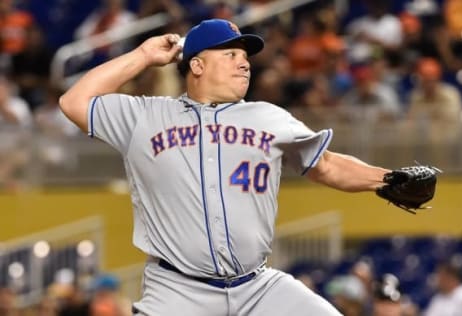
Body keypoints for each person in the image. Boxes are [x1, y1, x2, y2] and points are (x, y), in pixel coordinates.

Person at [59, 18, 394, 315]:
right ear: (198, 66)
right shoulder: (144, 117)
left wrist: (388, 180)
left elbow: (327, 165)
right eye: (230, 55)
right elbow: (73, 101)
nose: (244, 63)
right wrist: (144, 56)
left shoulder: (269, 117)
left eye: (245, 57)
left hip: (257, 286)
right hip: (178, 291)